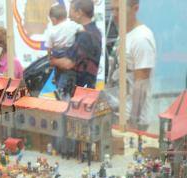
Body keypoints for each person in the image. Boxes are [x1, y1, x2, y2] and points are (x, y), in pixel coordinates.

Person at [107, 0, 157, 130]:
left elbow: (142, 83)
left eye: (119, 10)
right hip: (119, 112)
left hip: (132, 119)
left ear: (135, 8)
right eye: (113, 9)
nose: (114, 14)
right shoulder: (124, 33)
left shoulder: (141, 39)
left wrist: (133, 122)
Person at [50, 0, 103, 96]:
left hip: (76, 93)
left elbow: (68, 64)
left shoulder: (84, 35)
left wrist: (52, 61)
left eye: (71, 10)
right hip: (85, 89)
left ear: (79, 13)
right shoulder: (95, 32)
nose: (69, 16)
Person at [43, 3, 82, 100]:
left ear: (53, 19)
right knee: (68, 74)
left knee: (59, 73)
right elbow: (82, 31)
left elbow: (49, 47)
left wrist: (49, 57)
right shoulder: (72, 25)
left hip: (57, 55)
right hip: (70, 54)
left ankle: (60, 89)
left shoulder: (51, 30)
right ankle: (64, 89)